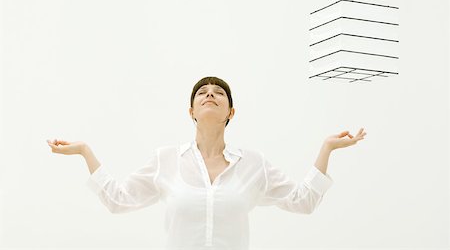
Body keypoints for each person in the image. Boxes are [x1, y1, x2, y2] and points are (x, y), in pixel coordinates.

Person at [47, 76, 366, 250]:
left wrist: (327, 148)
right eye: (202, 92)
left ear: (231, 113)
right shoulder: (166, 159)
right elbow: (118, 200)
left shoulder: (253, 164)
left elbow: (303, 202)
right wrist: (85, 152)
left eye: (219, 93)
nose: (210, 95)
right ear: (191, 112)